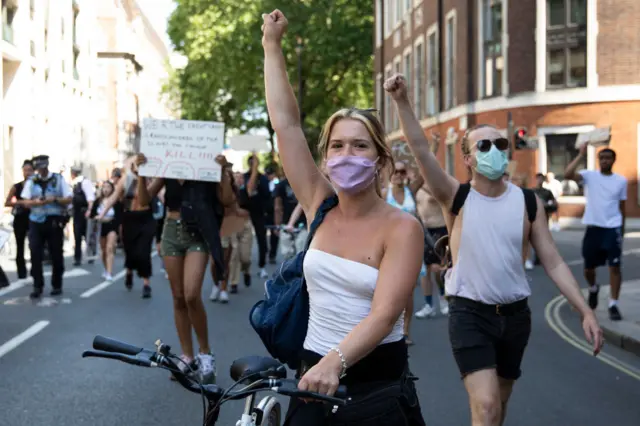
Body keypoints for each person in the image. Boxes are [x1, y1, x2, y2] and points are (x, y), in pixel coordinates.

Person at [384, 73, 603, 426]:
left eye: (500, 144)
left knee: (495, 409)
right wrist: (401, 101)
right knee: (486, 406)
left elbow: (554, 261)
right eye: (483, 147)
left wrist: (585, 311)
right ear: (468, 159)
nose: (494, 151)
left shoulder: (529, 202)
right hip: (469, 314)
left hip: (516, 318)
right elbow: (421, 150)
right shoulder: (456, 197)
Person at [263, 10, 425, 425]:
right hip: (313, 376)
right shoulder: (320, 203)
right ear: (325, 157)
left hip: (377, 386)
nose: (346, 156)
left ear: (379, 159)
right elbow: (286, 124)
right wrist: (272, 45)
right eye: (337, 147)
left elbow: (385, 314)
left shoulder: (402, 227)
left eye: (359, 146)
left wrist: (336, 361)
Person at [136, 153, 235, 384]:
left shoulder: (206, 168)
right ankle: (187, 356)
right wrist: (140, 175)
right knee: (178, 296)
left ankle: (205, 353)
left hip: (197, 232)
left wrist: (222, 173)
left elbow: (227, 200)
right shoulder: (167, 169)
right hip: (171, 232)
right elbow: (143, 200)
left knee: (191, 294)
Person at [564, 145, 627, 321]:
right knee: (588, 268)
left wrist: (621, 232)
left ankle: (613, 304)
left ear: (613, 160)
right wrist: (580, 155)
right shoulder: (589, 176)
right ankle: (593, 288)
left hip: (612, 228)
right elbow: (568, 174)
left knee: (614, 267)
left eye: (608, 157)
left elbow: (622, 208)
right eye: (602, 158)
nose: (604, 160)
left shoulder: (621, 181)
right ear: (598, 160)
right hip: (593, 228)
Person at [98, 156, 155, 298]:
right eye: (136, 164)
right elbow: (114, 197)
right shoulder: (126, 179)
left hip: (146, 218)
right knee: (131, 251)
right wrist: (102, 213)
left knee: (144, 251)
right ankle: (129, 270)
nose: (138, 166)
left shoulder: (150, 179)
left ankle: (146, 283)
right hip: (130, 219)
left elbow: (161, 196)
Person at [381, 161, 423, 346]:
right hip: (388, 248)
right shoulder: (383, 194)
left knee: (407, 292)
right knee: (387, 290)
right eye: (395, 172)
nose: (398, 175)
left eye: (401, 171)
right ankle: (386, 328)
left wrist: (432, 148)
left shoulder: (410, 192)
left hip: (411, 247)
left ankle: (405, 330)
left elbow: (424, 174)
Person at [20, 155, 73, 299]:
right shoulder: (32, 181)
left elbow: (68, 199)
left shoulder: (58, 179)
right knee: (35, 253)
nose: (41, 171)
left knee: (56, 253)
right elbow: (24, 201)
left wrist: (54, 199)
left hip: (54, 220)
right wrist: (35, 202)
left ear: (47, 166)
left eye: (43, 168)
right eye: (39, 169)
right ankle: (37, 285)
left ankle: (57, 285)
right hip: (36, 221)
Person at [211, 166, 253, 301]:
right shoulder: (212, 188)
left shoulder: (233, 191)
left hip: (229, 226)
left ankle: (224, 288)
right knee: (214, 261)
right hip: (213, 227)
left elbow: (234, 207)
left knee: (226, 259)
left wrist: (245, 214)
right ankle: (215, 284)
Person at [5, 159, 35, 279]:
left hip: (34, 218)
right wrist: (21, 202)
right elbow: (7, 202)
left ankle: (35, 270)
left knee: (34, 245)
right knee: (20, 245)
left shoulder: (36, 186)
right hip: (20, 219)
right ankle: (21, 272)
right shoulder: (17, 186)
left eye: (30, 170)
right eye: (25, 170)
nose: (27, 173)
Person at [245, 155, 272, 278]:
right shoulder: (244, 177)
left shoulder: (263, 179)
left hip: (259, 214)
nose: (253, 165)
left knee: (262, 241)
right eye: (251, 163)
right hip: (245, 214)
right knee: (243, 243)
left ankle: (262, 266)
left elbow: (267, 195)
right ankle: (245, 267)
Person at [88, 181, 122, 281]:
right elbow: (92, 215)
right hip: (100, 227)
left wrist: (110, 220)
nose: (106, 189)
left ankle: (109, 272)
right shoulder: (97, 201)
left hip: (112, 226)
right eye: (104, 187)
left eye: (108, 187)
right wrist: (98, 218)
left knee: (110, 248)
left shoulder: (116, 201)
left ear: (112, 189)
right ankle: (106, 268)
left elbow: (119, 217)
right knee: (103, 251)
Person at [525, 173, 558, 269]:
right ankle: (528, 258)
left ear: (543, 180)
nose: (539, 181)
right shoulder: (531, 191)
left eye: (541, 179)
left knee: (541, 237)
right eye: (538, 179)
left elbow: (554, 205)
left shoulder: (547, 192)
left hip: (543, 217)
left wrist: (547, 205)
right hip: (531, 216)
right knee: (529, 237)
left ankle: (539, 257)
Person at [70, 166, 96, 266]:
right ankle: (77, 258)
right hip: (76, 213)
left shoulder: (85, 182)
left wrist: (89, 210)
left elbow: (90, 198)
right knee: (77, 236)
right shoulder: (74, 184)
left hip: (84, 212)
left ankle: (90, 254)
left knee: (87, 235)